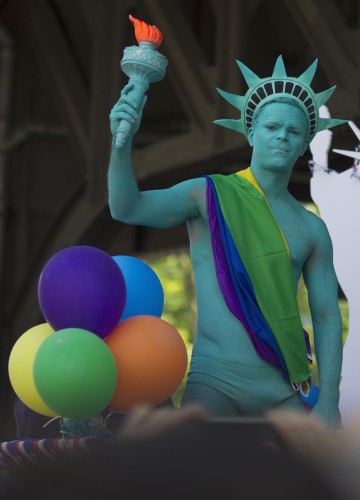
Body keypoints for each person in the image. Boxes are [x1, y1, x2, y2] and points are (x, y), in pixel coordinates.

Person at [108, 55, 346, 426]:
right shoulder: (208, 194)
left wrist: (329, 401)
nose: (282, 135)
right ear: (251, 133)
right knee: (188, 479)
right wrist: (120, 144)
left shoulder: (312, 229)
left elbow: (328, 316)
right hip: (213, 383)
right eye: (271, 127)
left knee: (302, 481)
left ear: (303, 147)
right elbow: (127, 208)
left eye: (294, 132)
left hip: (282, 386)